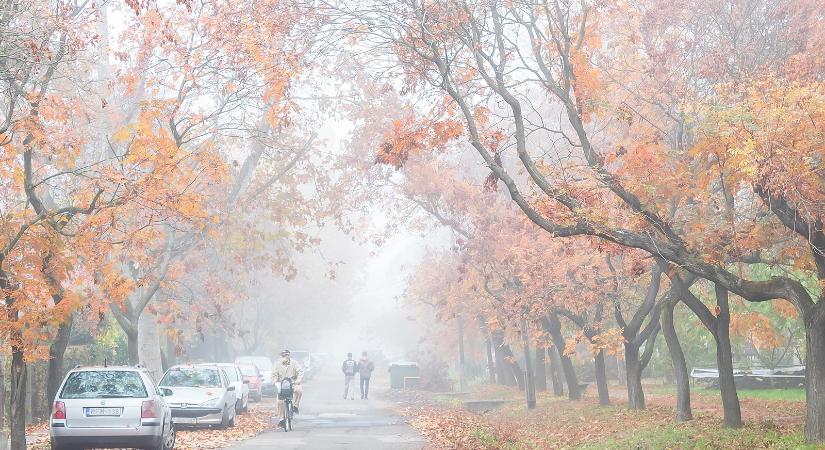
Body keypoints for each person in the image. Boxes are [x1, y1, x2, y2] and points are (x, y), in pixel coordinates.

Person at [273, 349, 303, 428]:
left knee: (299, 390)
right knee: (279, 401)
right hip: (282, 384)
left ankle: (295, 406)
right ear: (281, 356)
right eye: (284, 355)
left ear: (289, 355)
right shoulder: (277, 364)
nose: (285, 357)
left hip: (292, 383)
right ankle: (281, 419)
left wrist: (298, 380)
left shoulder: (294, 363)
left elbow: (300, 372)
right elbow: (273, 375)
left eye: (287, 355)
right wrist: (275, 382)